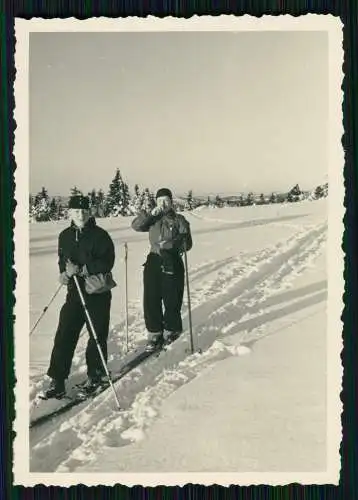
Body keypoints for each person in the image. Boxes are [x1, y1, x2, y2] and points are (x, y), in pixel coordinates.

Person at [44, 194, 116, 398]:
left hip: (97, 292)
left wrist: (82, 269)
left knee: (96, 334)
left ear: (90, 212)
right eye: (77, 211)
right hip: (74, 292)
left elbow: (107, 262)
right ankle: (57, 380)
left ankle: (96, 375)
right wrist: (64, 273)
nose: (81, 214)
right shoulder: (65, 235)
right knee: (65, 332)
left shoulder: (100, 235)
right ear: (70, 213)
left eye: (84, 211)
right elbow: (62, 259)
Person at [131, 188, 193, 350]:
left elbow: (188, 242)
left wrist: (175, 244)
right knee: (151, 298)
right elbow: (136, 226)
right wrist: (150, 214)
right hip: (153, 260)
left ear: (171, 202)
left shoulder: (179, 219)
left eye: (166, 200)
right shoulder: (152, 219)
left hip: (172, 261)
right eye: (160, 201)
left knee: (171, 297)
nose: (163, 204)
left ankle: (172, 330)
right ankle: (154, 333)